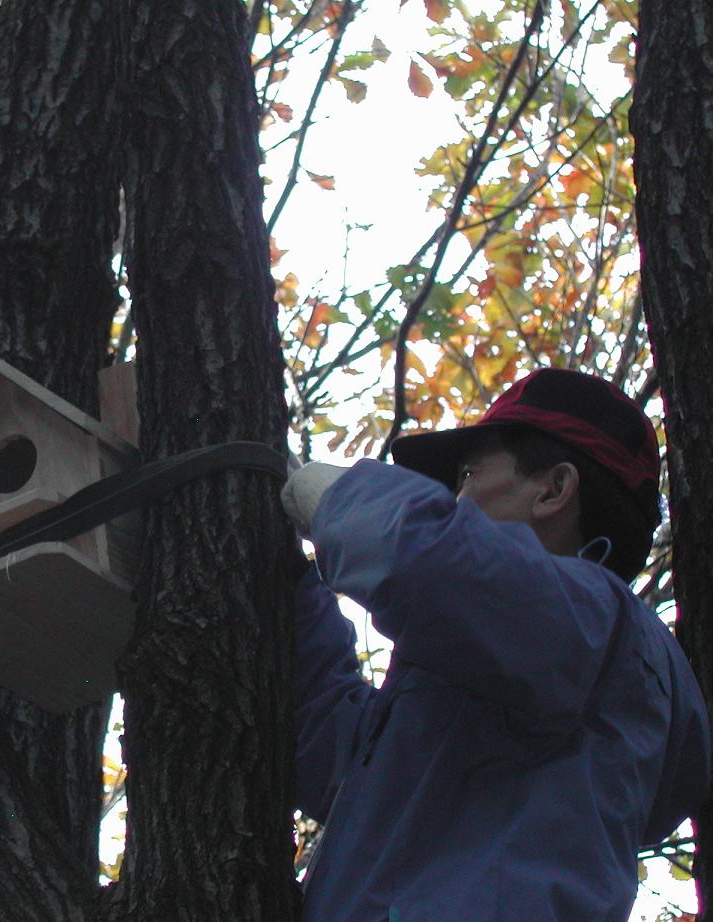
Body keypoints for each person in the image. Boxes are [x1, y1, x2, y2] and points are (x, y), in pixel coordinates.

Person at [279, 367, 710, 921]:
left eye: (465, 475)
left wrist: (338, 501)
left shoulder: (598, 624)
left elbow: (429, 562)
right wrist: (289, 585)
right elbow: (335, 759)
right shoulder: (507, 673)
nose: (453, 498)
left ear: (553, 490)